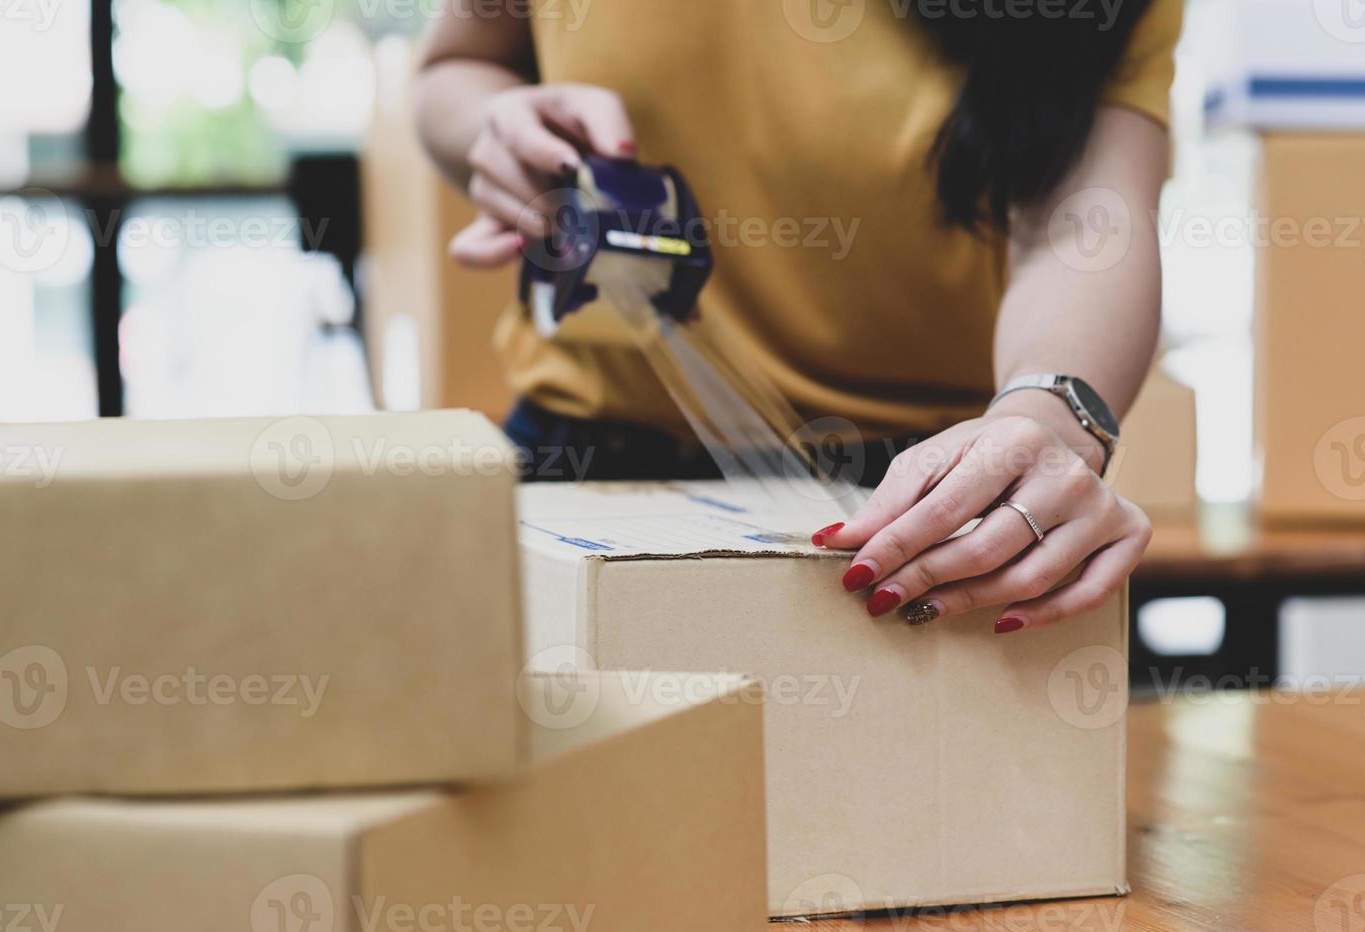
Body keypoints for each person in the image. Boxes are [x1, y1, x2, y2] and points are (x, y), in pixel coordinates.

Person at [414, 0, 1181, 633]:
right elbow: (456, 65)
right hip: (584, 461)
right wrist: (496, 126)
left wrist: (1048, 415)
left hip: (925, 499)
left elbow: (1084, 223)